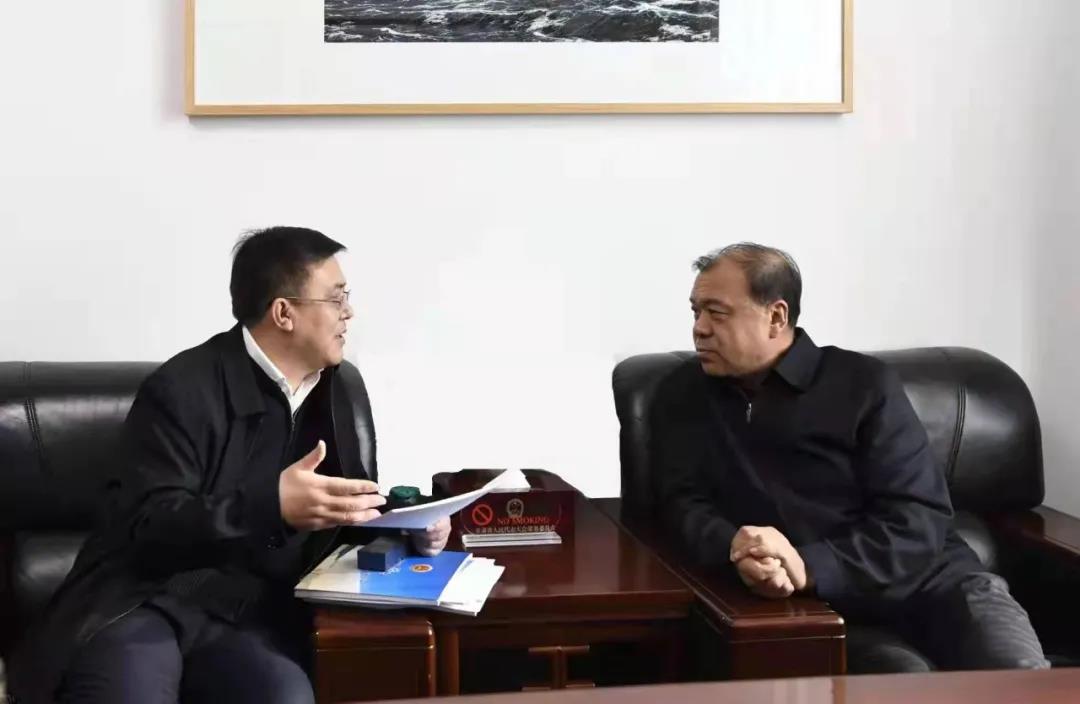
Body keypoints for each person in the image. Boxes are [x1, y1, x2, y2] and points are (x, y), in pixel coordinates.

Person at [10, 226, 451, 703]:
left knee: (286, 697)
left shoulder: (337, 389)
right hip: (142, 602)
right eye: (336, 298)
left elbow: (347, 508)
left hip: (243, 617)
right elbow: (150, 525)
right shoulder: (182, 388)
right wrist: (272, 506)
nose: (350, 312)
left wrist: (412, 524)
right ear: (284, 313)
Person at [654, 242, 1048, 673]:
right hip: (824, 607)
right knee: (905, 683)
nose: (699, 329)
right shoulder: (683, 395)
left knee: (1021, 678)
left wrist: (809, 564)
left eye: (717, 313)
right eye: (696, 312)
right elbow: (679, 503)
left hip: (937, 583)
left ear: (776, 316)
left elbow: (919, 518)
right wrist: (735, 547)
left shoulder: (862, 385)